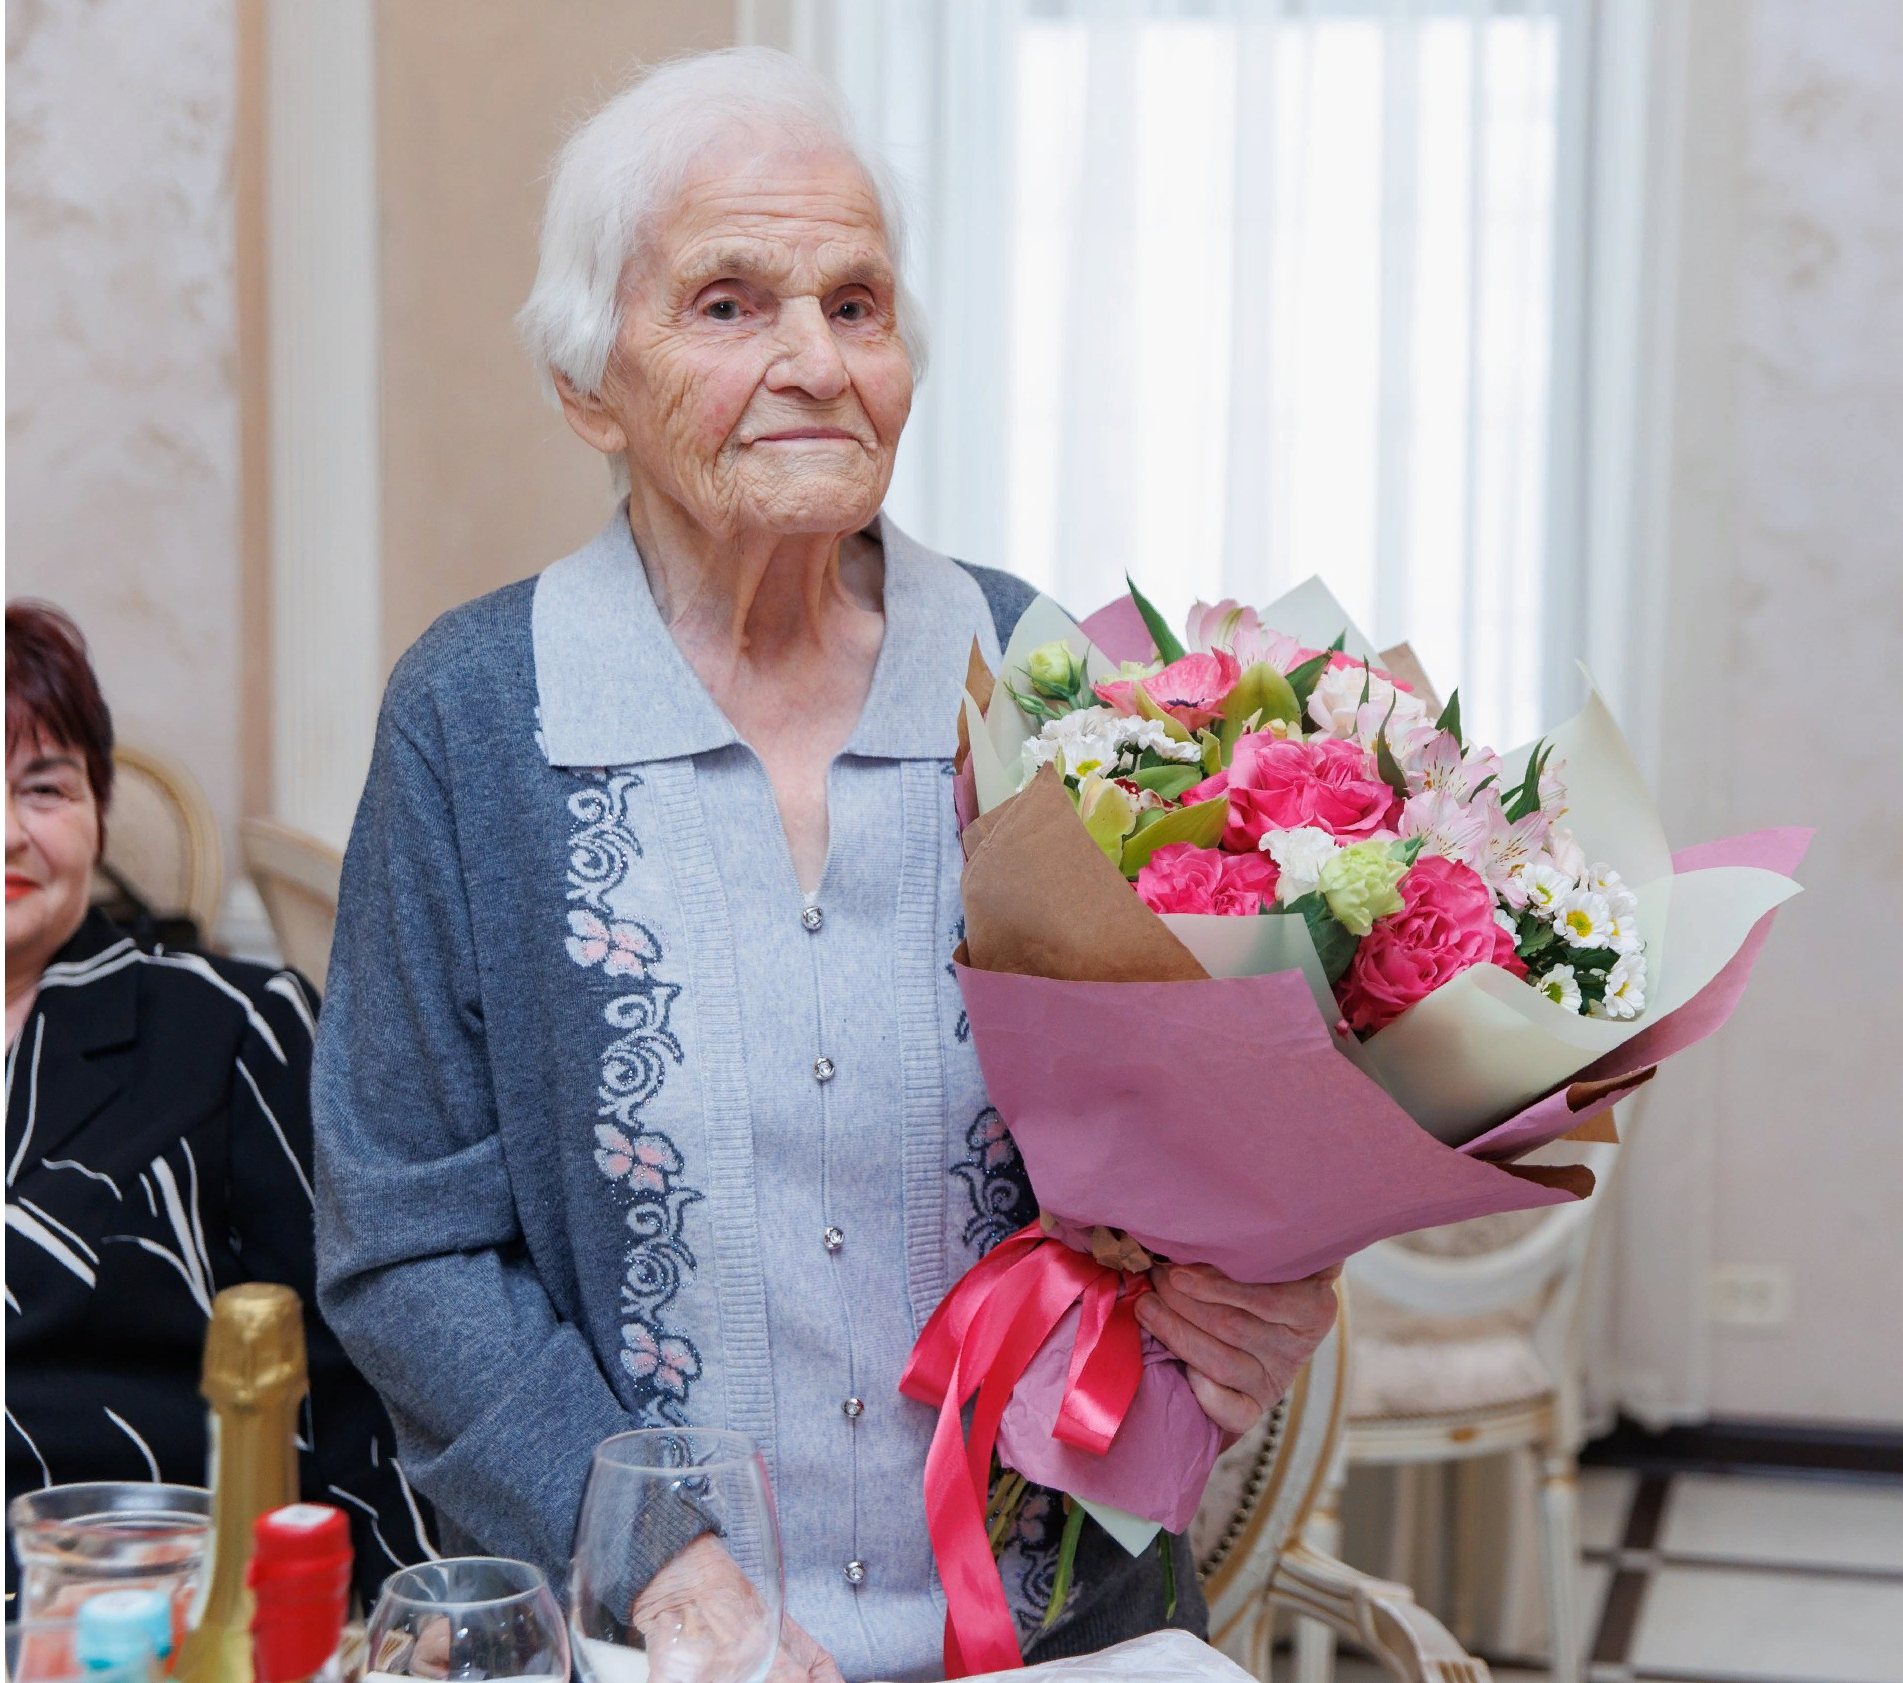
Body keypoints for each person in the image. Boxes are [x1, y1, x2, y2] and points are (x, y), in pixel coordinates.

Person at [310, 47, 1337, 1678]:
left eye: (856, 305)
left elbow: (1190, 1133)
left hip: (1058, 1637)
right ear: (591, 385)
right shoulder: (477, 712)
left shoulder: (1035, 675)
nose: (813, 360)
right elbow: (407, 1240)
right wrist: (675, 1578)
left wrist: (1257, 1290)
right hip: (657, 1641)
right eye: (728, 305)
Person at [2, 601, 429, 1604]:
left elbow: (352, 1363)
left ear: (98, 813)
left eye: (45, 787)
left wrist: (400, 1601)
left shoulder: (227, 1024)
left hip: (157, 1604)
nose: (10, 833)